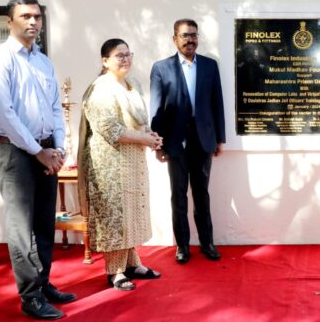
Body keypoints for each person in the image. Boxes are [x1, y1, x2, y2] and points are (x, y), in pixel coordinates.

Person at [0, 0, 76, 320]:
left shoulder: (43, 61)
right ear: (9, 22)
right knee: (21, 228)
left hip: (45, 152)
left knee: (44, 222)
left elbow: (55, 108)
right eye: (25, 16)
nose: (33, 22)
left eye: (37, 17)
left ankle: (43, 283)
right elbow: (4, 113)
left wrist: (58, 147)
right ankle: (30, 297)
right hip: (16, 154)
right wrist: (38, 152)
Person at [78, 38, 163, 291]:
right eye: (119, 55)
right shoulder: (100, 88)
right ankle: (114, 271)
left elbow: (139, 121)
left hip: (133, 159)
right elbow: (110, 129)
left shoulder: (132, 84)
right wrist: (146, 139)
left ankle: (132, 263)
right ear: (105, 61)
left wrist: (151, 135)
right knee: (116, 216)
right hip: (110, 163)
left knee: (132, 211)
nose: (126, 59)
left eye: (128, 54)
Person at [150, 19, 226, 263]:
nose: (190, 39)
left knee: (202, 194)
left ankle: (207, 243)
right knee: (178, 195)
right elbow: (156, 108)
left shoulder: (210, 66)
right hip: (175, 141)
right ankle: (182, 246)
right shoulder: (161, 68)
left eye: (193, 35)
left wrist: (220, 139)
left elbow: (217, 104)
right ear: (175, 38)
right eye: (184, 35)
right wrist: (158, 143)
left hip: (204, 139)